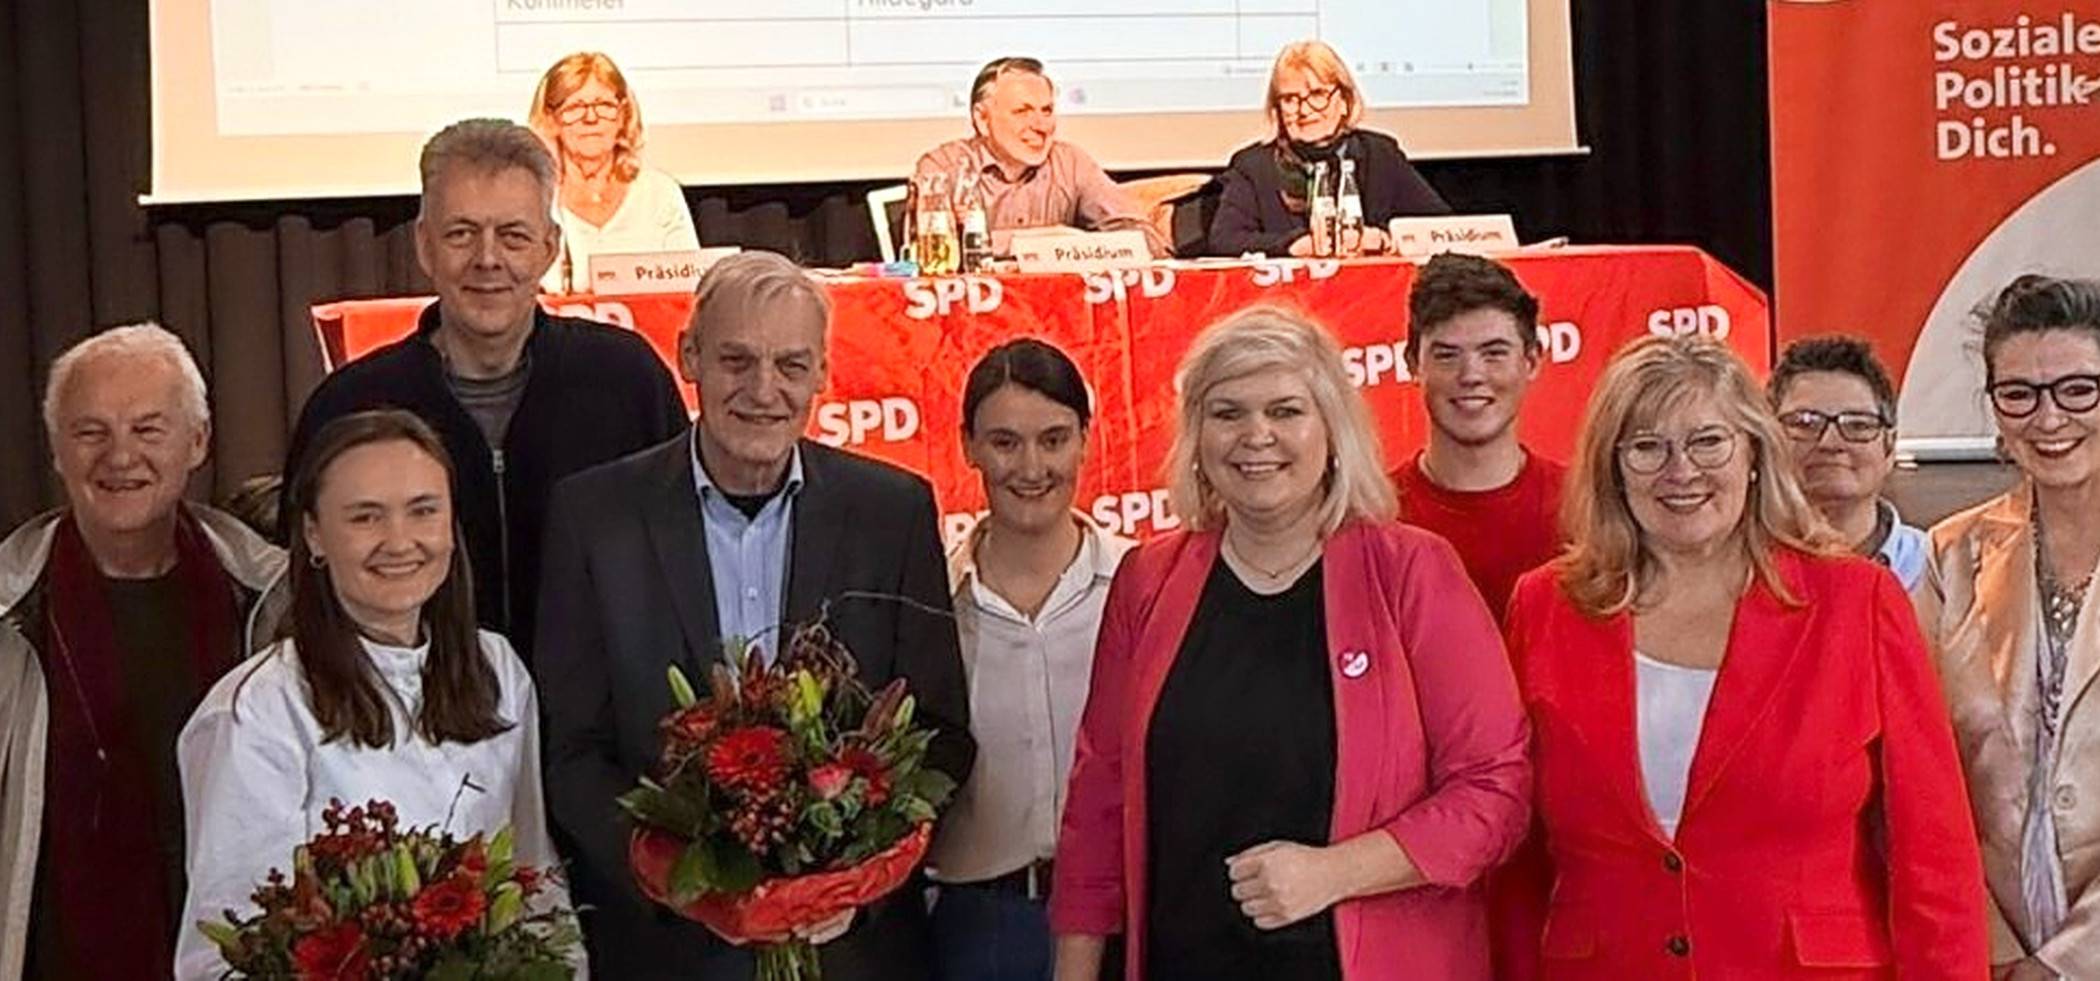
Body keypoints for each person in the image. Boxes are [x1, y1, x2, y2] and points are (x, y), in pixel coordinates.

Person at [1051, 305, 1530, 981]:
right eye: (1227, 413)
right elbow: (1099, 794)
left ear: (1332, 430)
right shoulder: (1147, 579)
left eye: (1284, 411)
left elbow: (1496, 791)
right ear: (1196, 436)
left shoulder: (1412, 572)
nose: (1256, 436)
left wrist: (1335, 872)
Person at [533, 250, 974, 980]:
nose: (763, 390)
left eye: (791, 365)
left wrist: (849, 884)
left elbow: (939, 734)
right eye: (736, 360)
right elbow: (571, 750)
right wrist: (682, 880)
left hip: (853, 951)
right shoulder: (594, 516)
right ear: (690, 356)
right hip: (666, 950)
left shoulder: (891, 513)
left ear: (824, 375)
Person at [1500, 334, 1986, 976]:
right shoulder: (1544, 608)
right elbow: (1517, 855)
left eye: (1708, 441)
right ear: (1612, 469)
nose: (1681, 471)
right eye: (1647, 447)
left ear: (1755, 453)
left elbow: (1935, 856)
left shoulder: (1857, 600)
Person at [175, 410, 571, 980]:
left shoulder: (499, 671)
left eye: (423, 511)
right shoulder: (255, 711)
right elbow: (225, 954)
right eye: (365, 517)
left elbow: (535, 879)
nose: (399, 541)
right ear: (313, 533)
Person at [285, 118, 687, 650]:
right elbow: (304, 591)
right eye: (461, 234)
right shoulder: (351, 405)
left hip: (595, 721)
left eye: (513, 236)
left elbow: (681, 559)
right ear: (424, 247)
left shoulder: (627, 380)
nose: (488, 259)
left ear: (549, 248)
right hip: (407, 719)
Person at [0, 324, 288, 981]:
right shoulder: (9, 613)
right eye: (90, 430)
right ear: (55, 451)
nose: (119, 456)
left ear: (199, 442)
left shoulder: (276, 604)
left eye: (149, 428)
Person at [929, 340, 1135, 981]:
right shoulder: (932, 600)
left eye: (1053, 439)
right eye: (1005, 442)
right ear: (968, 446)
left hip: (1124, 922)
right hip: (979, 924)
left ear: (1086, 438)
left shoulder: (1144, 583)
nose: (1031, 466)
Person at [1913, 275, 2100, 980]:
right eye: (2018, 393)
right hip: (1993, 953)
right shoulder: (1950, 554)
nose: (2047, 418)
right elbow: (1922, 774)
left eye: (2078, 389)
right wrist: (1996, 955)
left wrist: (2066, 965)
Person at [1390, 252, 1565, 620]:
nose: (1471, 374)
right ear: (1411, 364)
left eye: (1494, 353)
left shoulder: (1588, 510)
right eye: (1447, 355)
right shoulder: (1375, 515)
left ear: (1532, 360)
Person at [1208, 40, 1450, 258]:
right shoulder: (1253, 165)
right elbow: (1225, 240)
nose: (1305, 110)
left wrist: (1383, 239)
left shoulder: (1380, 154)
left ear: (1345, 101)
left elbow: (1441, 228)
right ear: (1277, 110)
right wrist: (1294, 245)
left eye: (1318, 94)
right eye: (1290, 99)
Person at [913, 57, 1169, 258]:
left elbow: (1147, 241)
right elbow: (927, 254)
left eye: (1046, 111)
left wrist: (1078, 244)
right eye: (1022, 111)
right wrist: (1042, 241)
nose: (1040, 125)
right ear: (982, 119)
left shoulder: (1071, 163)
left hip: (1055, 317)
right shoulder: (942, 168)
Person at [528, 51, 701, 294]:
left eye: (604, 106)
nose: (591, 118)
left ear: (623, 115)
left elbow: (691, 289)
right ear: (551, 119)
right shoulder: (533, 198)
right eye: (575, 107)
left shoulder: (659, 192)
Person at [1768, 336, 1929, 589]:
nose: (1830, 443)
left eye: (1857, 424)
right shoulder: (1736, 567)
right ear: (1768, 440)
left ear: (1890, 447)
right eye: (1805, 423)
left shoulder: (1936, 568)